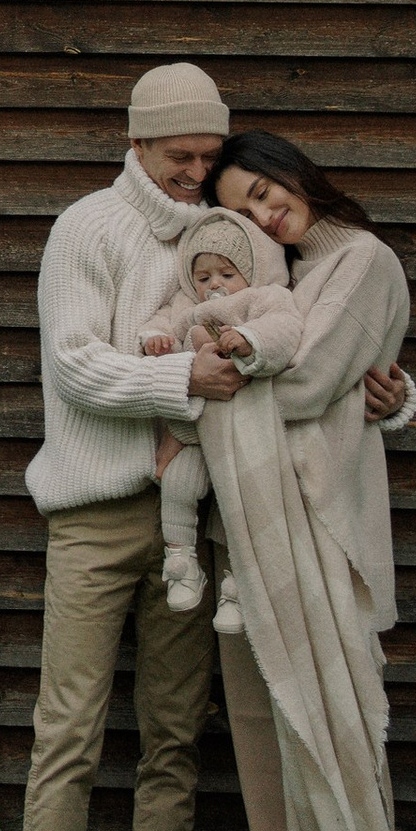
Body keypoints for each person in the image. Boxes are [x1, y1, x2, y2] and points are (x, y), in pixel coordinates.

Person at [11, 68, 413, 831]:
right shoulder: (86, 229)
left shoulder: (228, 229)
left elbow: (302, 339)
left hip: (203, 514)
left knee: (174, 735)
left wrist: (390, 393)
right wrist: (181, 380)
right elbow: (75, 367)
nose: (195, 172)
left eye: (208, 156)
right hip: (96, 512)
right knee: (68, 727)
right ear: (137, 143)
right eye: (179, 155)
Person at [199, 130, 416, 831]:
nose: (266, 213)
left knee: (334, 729)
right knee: (272, 744)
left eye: (266, 190)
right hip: (257, 532)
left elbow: (304, 388)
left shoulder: (365, 261)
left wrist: (200, 377)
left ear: (297, 173)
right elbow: (312, 378)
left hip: (320, 533)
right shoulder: (288, 280)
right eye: (243, 208)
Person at [141, 208, 297, 628]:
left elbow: (284, 330)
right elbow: (162, 323)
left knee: (239, 499)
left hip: (240, 430)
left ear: (250, 269)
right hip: (192, 427)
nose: (214, 285)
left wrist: (249, 339)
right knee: (179, 483)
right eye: (204, 276)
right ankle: (182, 563)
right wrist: (155, 337)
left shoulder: (264, 298)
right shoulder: (186, 306)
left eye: (226, 274)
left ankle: (239, 585)